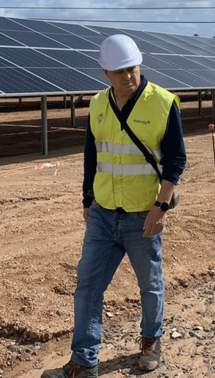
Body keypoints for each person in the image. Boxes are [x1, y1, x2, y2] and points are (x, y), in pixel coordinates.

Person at [42, 34, 187, 378]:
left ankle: (151, 341)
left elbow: (176, 160)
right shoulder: (96, 104)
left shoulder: (163, 102)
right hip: (104, 213)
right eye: (119, 71)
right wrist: (87, 201)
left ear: (140, 66)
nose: (128, 76)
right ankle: (84, 360)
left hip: (142, 213)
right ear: (106, 72)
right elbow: (92, 157)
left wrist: (161, 207)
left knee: (150, 284)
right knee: (88, 285)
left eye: (132, 68)